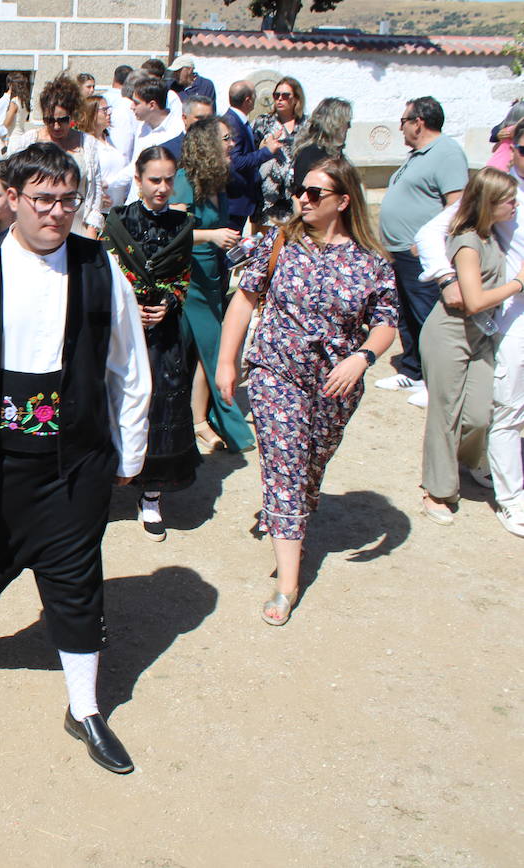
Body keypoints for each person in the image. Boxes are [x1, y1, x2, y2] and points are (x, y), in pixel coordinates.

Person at [0, 144, 150, 775]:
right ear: (13, 200)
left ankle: (86, 709)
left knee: (78, 584)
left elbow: (128, 366)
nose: (56, 213)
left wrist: (131, 446)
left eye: (67, 200)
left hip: (73, 459)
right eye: (43, 200)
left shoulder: (101, 267)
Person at [215, 157, 398, 626]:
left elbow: (385, 323)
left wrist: (362, 358)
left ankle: (292, 513)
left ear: (343, 200)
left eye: (316, 193)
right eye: (301, 190)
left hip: (336, 385)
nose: (303, 198)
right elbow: (244, 300)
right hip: (277, 372)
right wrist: (226, 362)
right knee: (285, 466)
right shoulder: (280, 241)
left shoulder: (371, 261)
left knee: (310, 464)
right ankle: (288, 582)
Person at [416, 135, 524, 538]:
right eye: (508, 202)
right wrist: (517, 284)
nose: (514, 208)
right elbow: (475, 300)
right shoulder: (467, 243)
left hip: (478, 337)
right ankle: (437, 490)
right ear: (489, 205)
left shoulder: (492, 235)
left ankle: (458, 464)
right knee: (444, 413)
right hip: (450, 334)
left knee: (479, 412)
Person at [104, 146, 199, 540]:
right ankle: (109, 475)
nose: (161, 188)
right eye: (154, 179)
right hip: (122, 332)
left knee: (161, 405)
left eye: (167, 180)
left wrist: (168, 303)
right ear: (139, 180)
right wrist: (129, 305)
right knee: (117, 400)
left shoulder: (182, 225)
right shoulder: (118, 221)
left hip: (165, 335)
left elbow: (184, 276)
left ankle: (151, 495)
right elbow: (107, 270)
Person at [376, 96, 469, 400]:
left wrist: (433, 241)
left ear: (419, 122)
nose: (400, 128)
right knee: (406, 315)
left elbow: (457, 204)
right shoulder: (418, 154)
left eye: (403, 121)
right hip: (399, 250)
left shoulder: (446, 152)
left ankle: (436, 381)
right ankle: (413, 371)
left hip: (421, 253)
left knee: (428, 316)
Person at [174, 117, 252, 453]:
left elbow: (221, 234)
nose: (232, 143)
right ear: (207, 144)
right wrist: (211, 235)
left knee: (210, 349)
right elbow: (172, 232)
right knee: (206, 348)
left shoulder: (215, 181)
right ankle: (199, 422)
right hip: (188, 277)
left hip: (212, 274)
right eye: (225, 138)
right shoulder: (182, 180)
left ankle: (198, 420)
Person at [13, 76, 105, 236]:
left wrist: (91, 232)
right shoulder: (29, 141)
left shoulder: (87, 143)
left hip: (77, 229)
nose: (56, 126)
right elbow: (13, 182)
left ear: (71, 116)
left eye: (62, 120)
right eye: (49, 120)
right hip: (37, 229)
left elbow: (95, 191)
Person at [222, 81, 282, 232]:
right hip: (235, 201)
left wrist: (260, 148)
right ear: (248, 99)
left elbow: (243, 153)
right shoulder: (233, 123)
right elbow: (235, 162)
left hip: (240, 201)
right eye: (255, 95)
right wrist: (266, 152)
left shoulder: (237, 120)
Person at [251, 76, 306, 230]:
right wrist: (263, 148)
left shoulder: (306, 126)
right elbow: (250, 155)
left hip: (294, 196)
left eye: (285, 95)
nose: (280, 99)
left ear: (296, 99)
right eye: (276, 95)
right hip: (267, 197)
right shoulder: (262, 123)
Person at [84, 94, 132, 213]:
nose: (109, 113)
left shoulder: (111, 140)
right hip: (97, 212)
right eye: (104, 110)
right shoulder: (86, 143)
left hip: (118, 210)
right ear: (91, 114)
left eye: (109, 109)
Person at [291, 97, 352, 188]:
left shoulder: (334, 153)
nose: (349, 127)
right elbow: (302, 194)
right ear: (334, 124)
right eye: (347, 123)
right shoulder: (312, 155)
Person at [129, 76, 184, 163]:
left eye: (136, 103)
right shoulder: (142, 127)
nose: (131, 107)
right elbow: (134, 165)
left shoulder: (178, 131)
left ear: (152, 105)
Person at [0, 71, 31, 154]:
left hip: (12, 140)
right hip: (22, 137)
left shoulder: (12, 101)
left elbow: (4, 124)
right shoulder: (24, 101)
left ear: (10, 84)